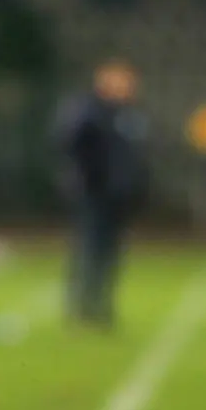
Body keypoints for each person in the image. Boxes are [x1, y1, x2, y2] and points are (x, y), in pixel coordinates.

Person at [52, 58, 149, 330]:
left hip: (118, 195)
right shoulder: (87, 110)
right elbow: (69, 144)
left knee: (110, 253)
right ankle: (81, 308)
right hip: (93, 193)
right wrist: (88, 177)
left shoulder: (128, 114)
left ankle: (101, 306)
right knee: (89, 249)